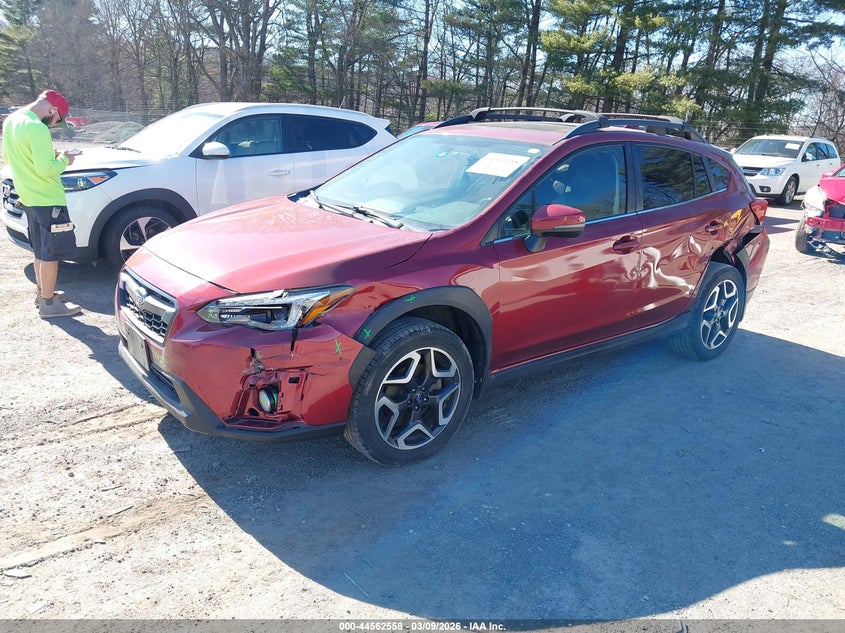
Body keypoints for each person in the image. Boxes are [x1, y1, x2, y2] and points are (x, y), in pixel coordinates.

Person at [2, 89, 82, 318]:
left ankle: (42, 293)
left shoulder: (12, 120)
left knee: (39, 250)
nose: (54, 124)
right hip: (48, 199)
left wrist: (46, 154)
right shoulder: (37, 127)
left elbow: (9, 157)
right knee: (51, 254)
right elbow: (47, 169)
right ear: (52, 109)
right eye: (56, 120)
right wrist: (66, 159)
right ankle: (49, 304)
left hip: (28, 196)